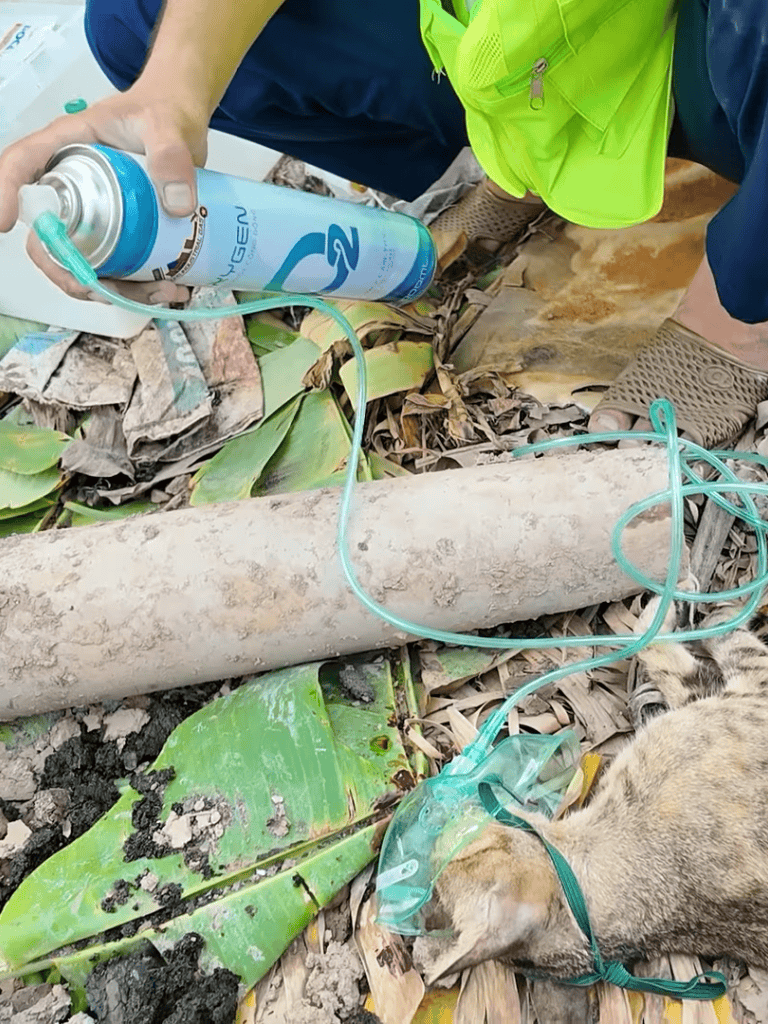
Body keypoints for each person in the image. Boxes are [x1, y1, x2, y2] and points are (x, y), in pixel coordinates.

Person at [0, 0, 766, 448]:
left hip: (719, 42)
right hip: (537, 37)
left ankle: (743, 311)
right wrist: (174, 88)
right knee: (137, 21)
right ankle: (533, 149)